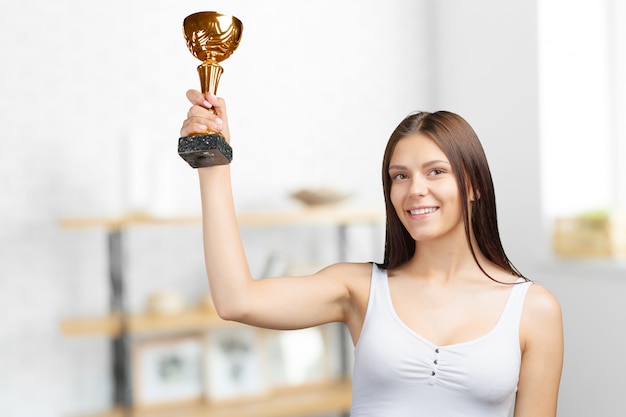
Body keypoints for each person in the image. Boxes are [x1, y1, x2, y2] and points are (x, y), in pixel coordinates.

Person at [180, 90, 564, 417]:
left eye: (435, 172)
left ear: (475, 184)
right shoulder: (359, 289)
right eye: (400, 175)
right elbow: (236, 300)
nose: (414, 189)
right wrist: (213, 164)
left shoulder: (533, 309)